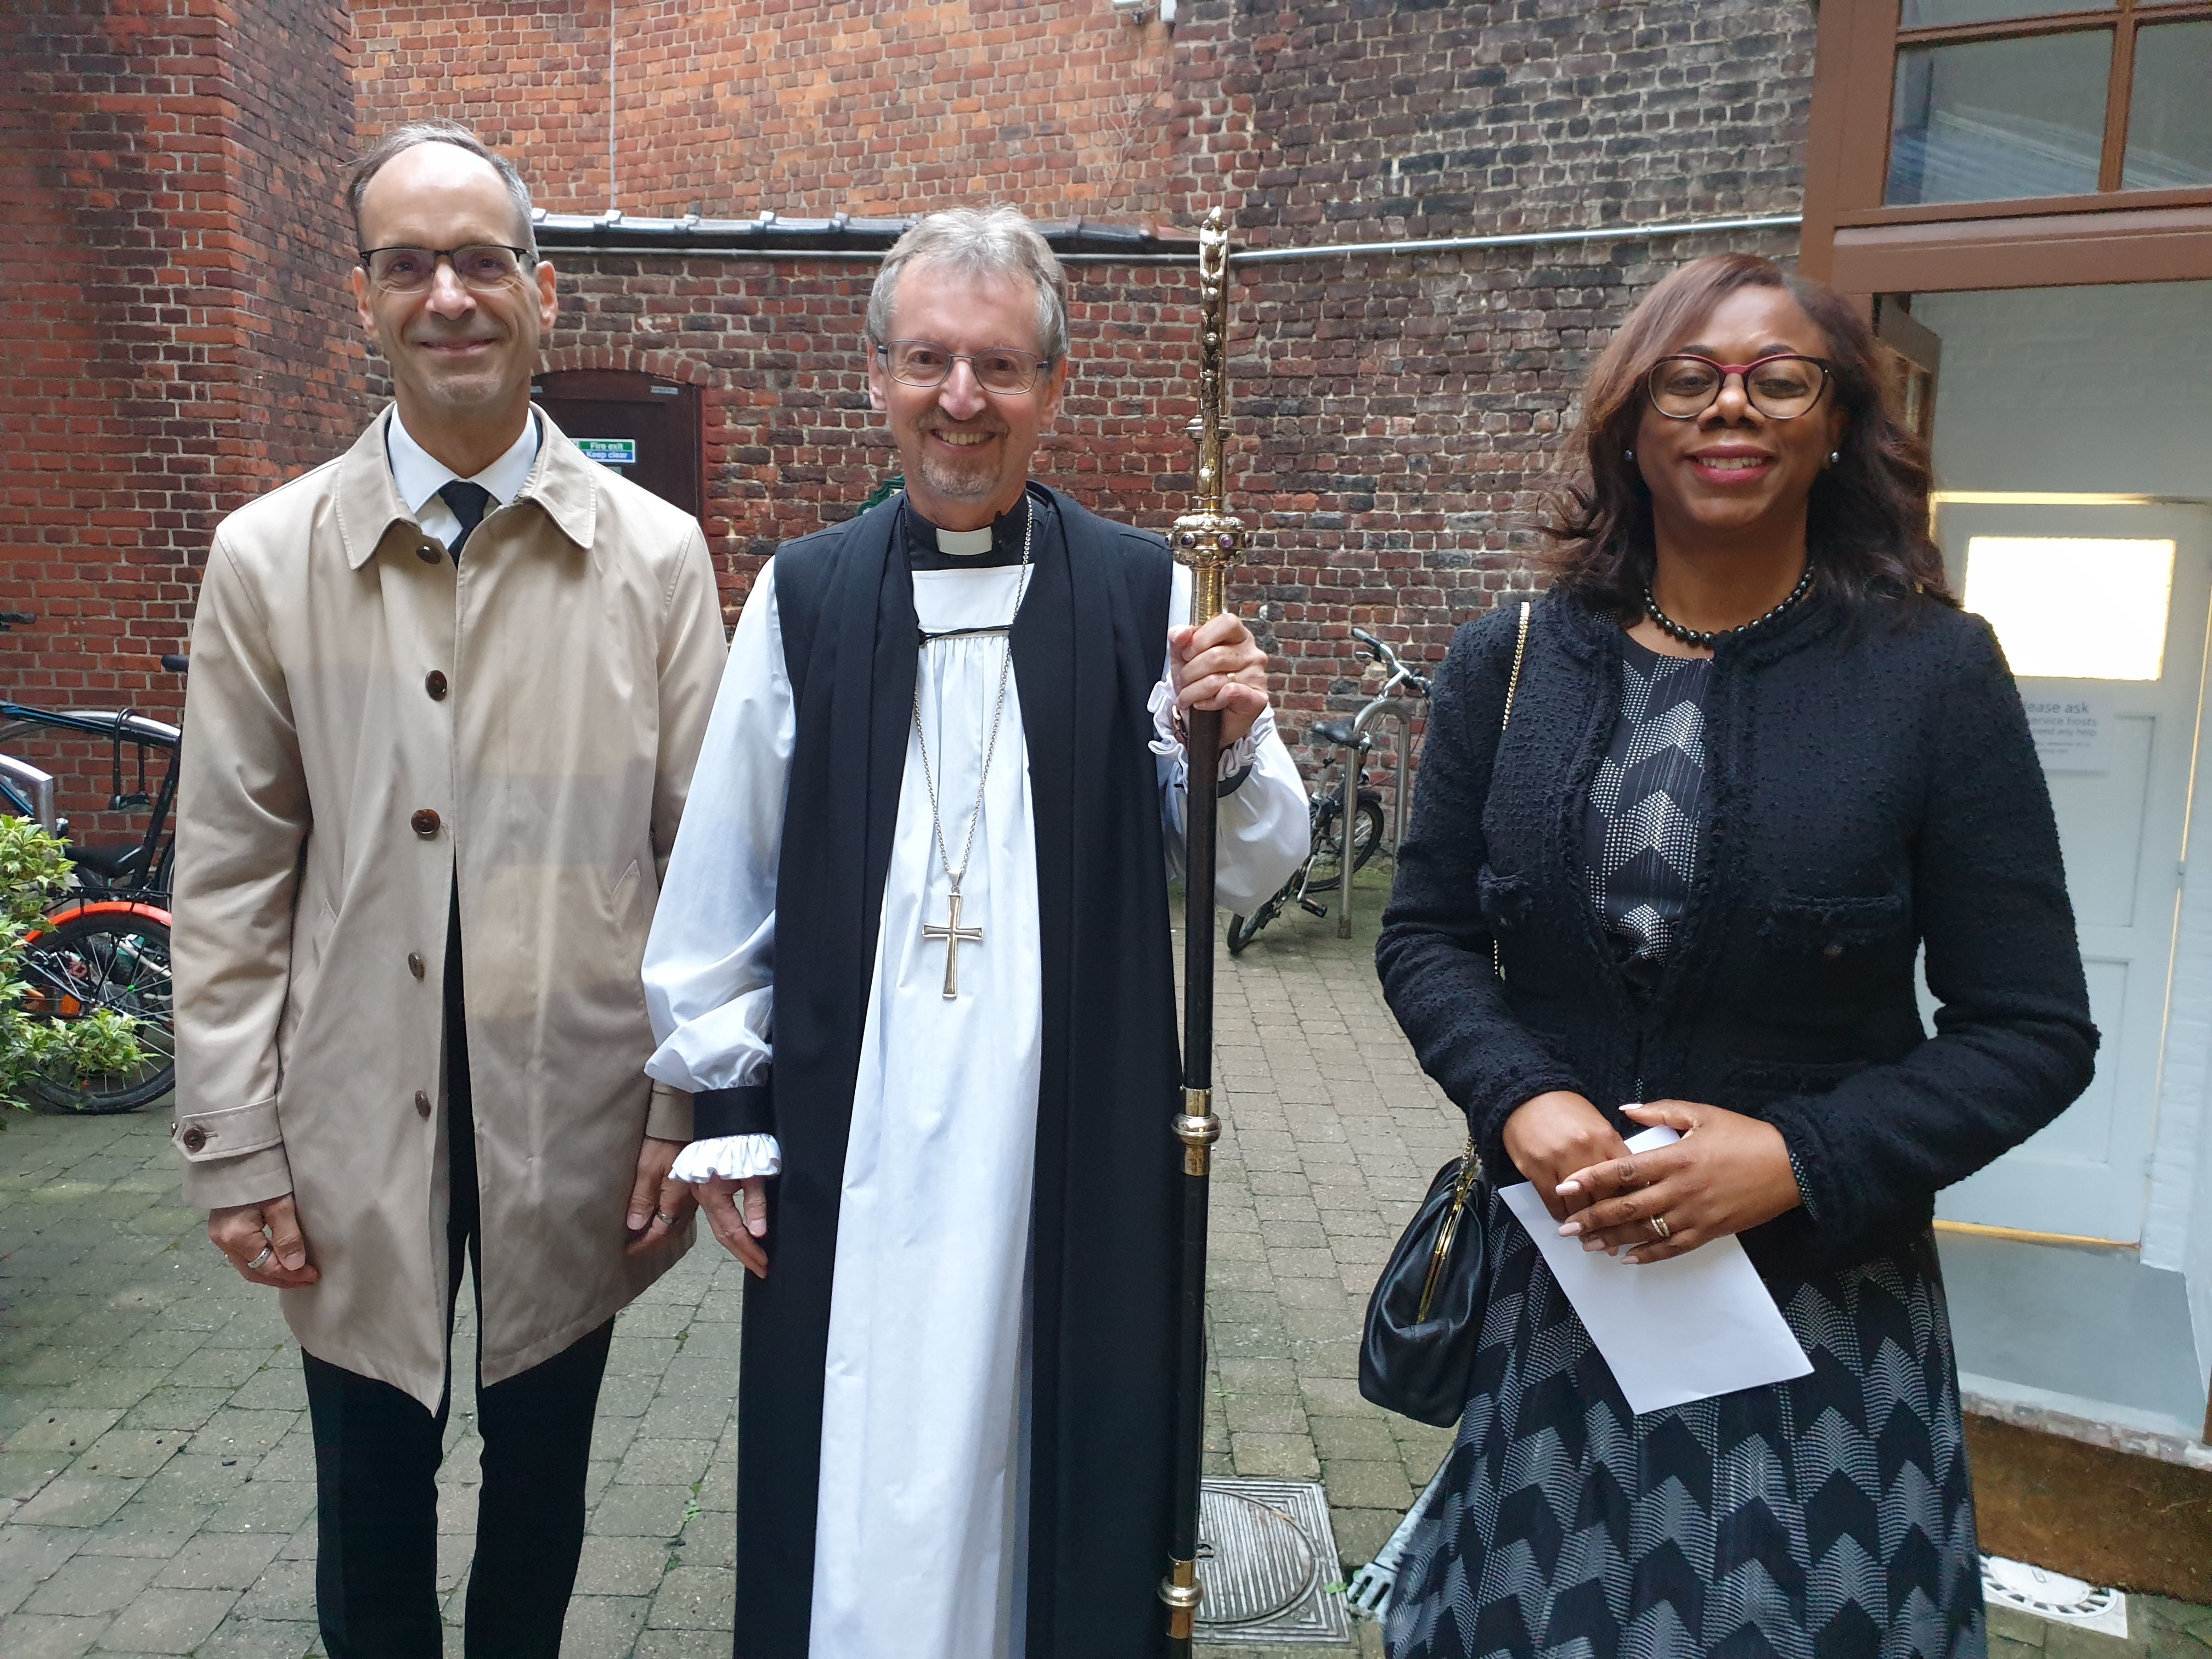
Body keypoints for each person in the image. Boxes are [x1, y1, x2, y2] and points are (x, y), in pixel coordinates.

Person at [1375, 253, 2097, 1658]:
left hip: (1824, 1335)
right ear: (1631, 428)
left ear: (1836, 427)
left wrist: (1795, 1161)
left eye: (1781, 379)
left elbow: (2032, 1029)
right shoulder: (1508, 663)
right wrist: (1524, 1100)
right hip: (1568, 1307)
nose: (1734, 409)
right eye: (1689, 379)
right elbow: (1429, 935)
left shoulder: (1933, 677)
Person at [640, 205, 1309, 1658]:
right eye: (930, 360)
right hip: (854, 1135)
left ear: (1052, 390)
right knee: (863, 1463)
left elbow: (1254, 870)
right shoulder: (805, 600)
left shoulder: (1152, 599)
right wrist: (732, 1109)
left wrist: (1236, 743)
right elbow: (720, 883)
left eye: (999, 367)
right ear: (877, 375)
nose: (961, 399)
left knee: (1051, 1460)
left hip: (1066, 1139)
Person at [170, 121, 726, 1658]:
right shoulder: (267, 560)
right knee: (369, 1498)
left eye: (483, 261)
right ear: (365, 299)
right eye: (408, 264)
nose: (450, 297)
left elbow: (705, 866)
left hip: (581, 1108)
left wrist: (682, 1116)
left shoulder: (659, 561)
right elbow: (226, 874)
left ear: (544, 292)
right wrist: (232, 1140)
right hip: (349, 1115)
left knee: (544, 1487)